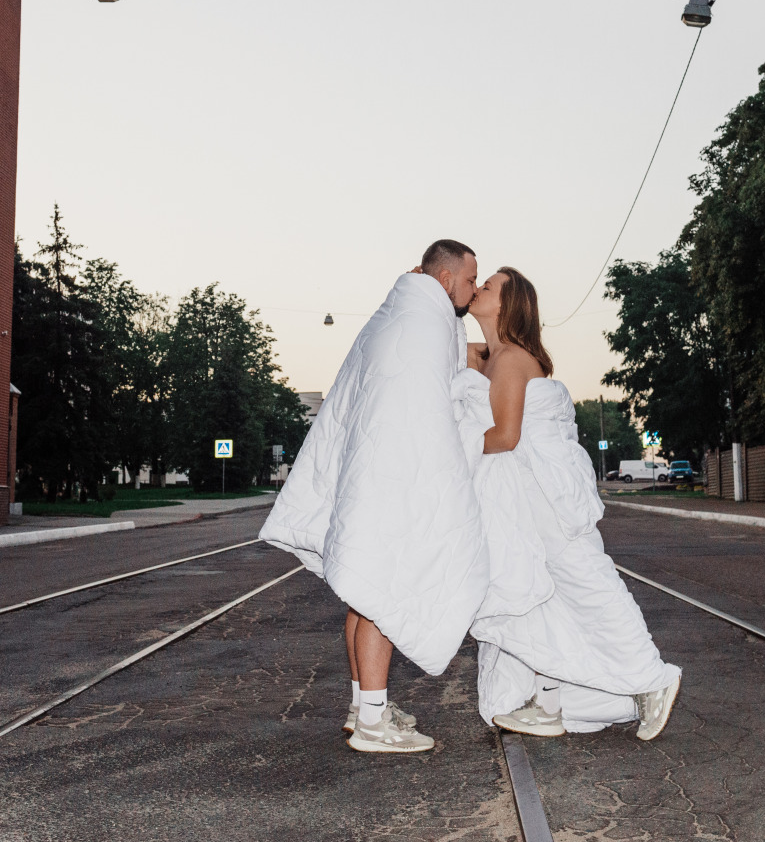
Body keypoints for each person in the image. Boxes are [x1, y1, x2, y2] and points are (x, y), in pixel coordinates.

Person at [260, 240, 488, 753]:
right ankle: (371, 726)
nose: (474, 292)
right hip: (391, 483)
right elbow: (428, 414)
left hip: (368, 478)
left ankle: (364, 705)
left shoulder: (399, 315)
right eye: (472, 280)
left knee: (363, 594)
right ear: (447, 279)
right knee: (381, 593)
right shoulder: (425, 322)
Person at [455, 267, 680, 739]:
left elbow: (506, 435)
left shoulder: (512, 359)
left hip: (540, 495)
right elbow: (450, 342)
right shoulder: (491, 354)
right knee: (540, 596)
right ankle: (550, 702)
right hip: (522, 496)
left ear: (508, 304)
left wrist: (450, 447)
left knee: (586, 582)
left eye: (488, 286)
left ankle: (653, 679)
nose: (477, 290)